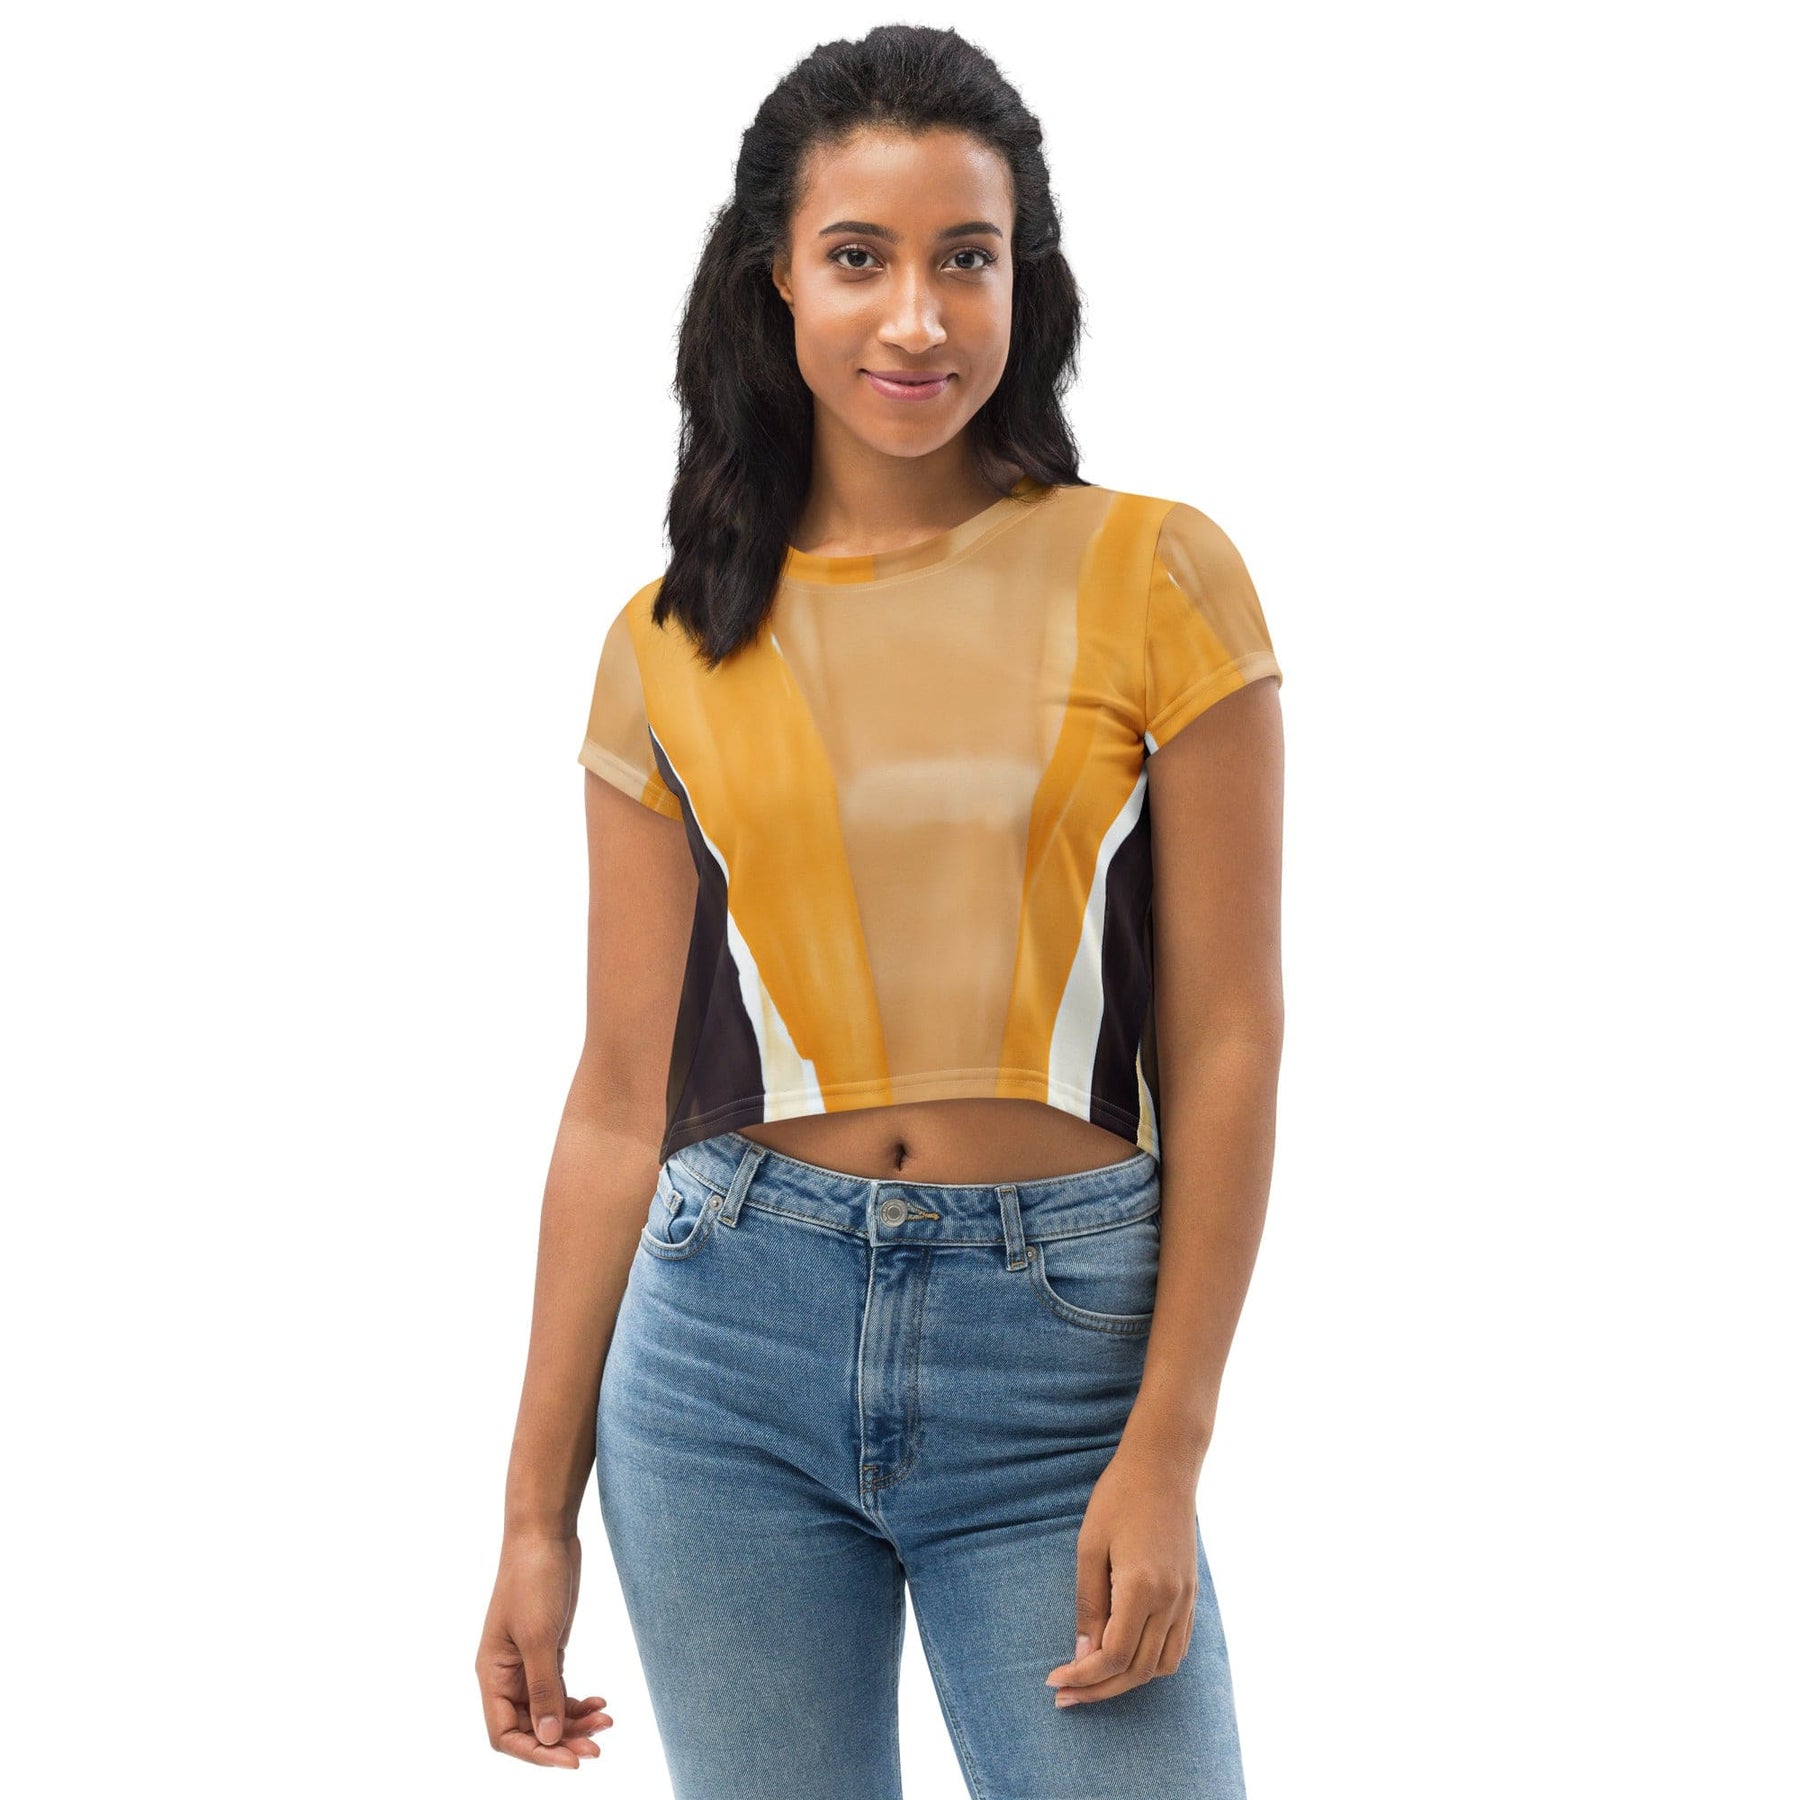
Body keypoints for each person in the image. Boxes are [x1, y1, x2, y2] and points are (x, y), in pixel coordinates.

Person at [475, 23, 1283, 1798]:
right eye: (860, 257)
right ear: (775, 279)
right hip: (724, 1354)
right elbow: (616, 1099)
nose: (916, 319)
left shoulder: (1154, 571)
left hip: (1061, 1363)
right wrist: (534, 1517)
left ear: (1023, 280)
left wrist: (1169, 1445)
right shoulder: (670, 640)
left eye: (963, 259)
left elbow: (1228, 1037)